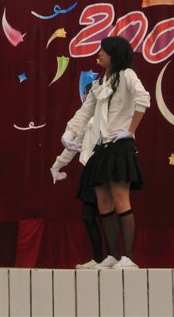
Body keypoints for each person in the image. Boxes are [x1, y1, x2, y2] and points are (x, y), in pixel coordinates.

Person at [60, 36, 150, 270]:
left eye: (103, 50)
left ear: (114, 54)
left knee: (120, 199)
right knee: (102, 201)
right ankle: (112, 255)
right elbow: (84, 112)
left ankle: (128, 258)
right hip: (101, 148)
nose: (98, 54)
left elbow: (143, 98)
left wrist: (130, 130)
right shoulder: (100, 82)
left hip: (120, 146)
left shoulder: (127, 75)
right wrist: (68, 134)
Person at [51, 85, 109, 269]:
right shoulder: (88, 121)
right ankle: (100, 258)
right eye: (85, 95)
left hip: (105, 169)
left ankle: (112, 257)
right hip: (92, 170)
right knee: (89, 215)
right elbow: (74, 145)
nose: (85, 99)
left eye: (88, 95)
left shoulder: (105, 117)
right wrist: (57, 165)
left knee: (105, 215)